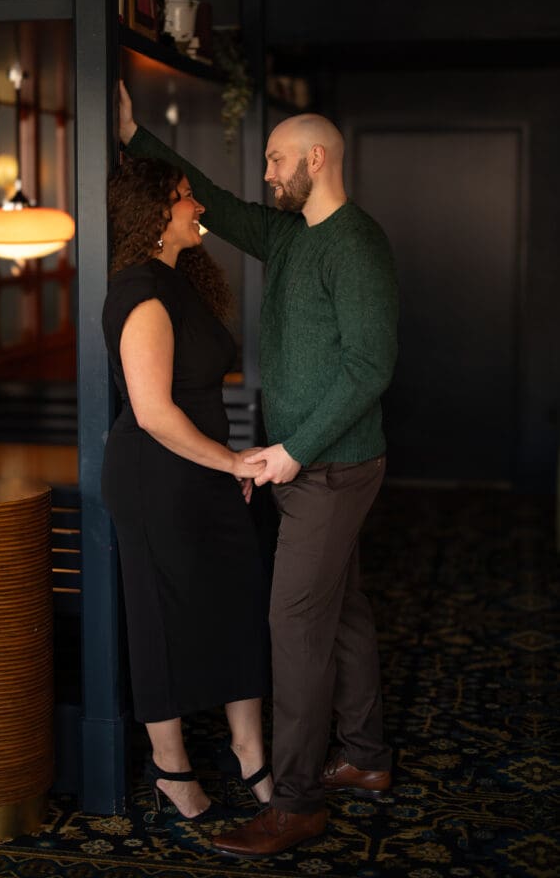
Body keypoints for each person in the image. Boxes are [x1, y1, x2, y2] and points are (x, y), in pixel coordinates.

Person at [117, 81, 399, 856]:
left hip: (330, 466)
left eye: (275, 159)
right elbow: (203, 197)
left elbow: (370, 365)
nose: (266, 173)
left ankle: (299, 800)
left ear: (316, 158)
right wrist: (139, 136)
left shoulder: (356, 243)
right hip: (300, 466)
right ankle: (366, 757)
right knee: (338, 610)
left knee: (293, 624)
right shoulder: (286, 234)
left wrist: (294, 451)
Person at [101, 155, 274, 821]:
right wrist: (231, 464)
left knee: (236, 601)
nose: (196, 208)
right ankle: (171, 769)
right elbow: (153, 413)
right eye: (182, 199)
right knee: (160, 617)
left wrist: (223, 462)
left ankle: (248, 749)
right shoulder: (139, 290)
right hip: (156, 477)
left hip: (199, 466)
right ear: (151, 215)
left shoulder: (178, 282)